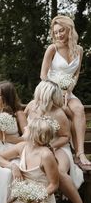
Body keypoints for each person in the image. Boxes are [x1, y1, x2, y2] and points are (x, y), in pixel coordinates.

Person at [25, 80, 91, 203]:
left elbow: (65, 137)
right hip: (33, 148)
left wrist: (50, 146)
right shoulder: (31, 106)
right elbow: (24, 126)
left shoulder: (58, 112)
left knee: (58, 172)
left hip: (58, 147)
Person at [0, 117, 59, 203]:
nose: (24, 128)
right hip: (21, 201)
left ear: (35, 133)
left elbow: (54, 185)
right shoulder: (23, 147)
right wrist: (12, 166)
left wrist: (36, 200)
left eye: (28, 127)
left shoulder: (46, 155)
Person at [40, 15, 90, 169]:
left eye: (61, 30)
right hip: (49, 89)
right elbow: (43, 75)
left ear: (69, 29)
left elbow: (75, 75)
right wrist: (56, 90)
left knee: (79, 109)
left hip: (67, 91)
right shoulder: (52, 48)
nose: (58, 35)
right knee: (67, 112)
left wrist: (68, 90)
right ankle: (66, 149)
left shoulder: (79, 50)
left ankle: (80, 154)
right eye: (55, 32)